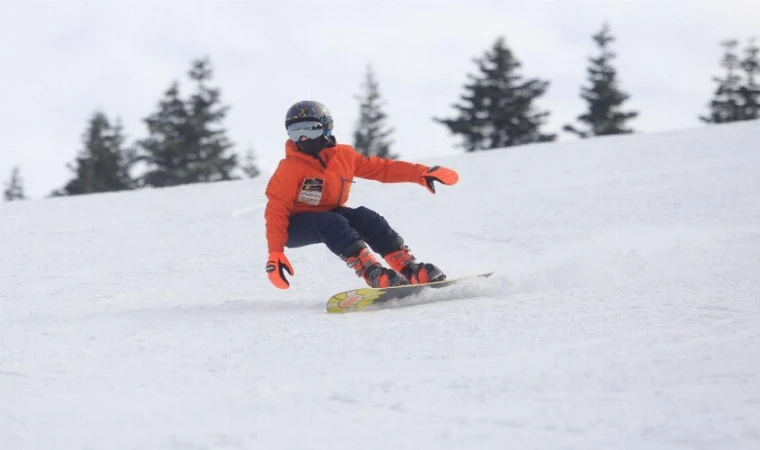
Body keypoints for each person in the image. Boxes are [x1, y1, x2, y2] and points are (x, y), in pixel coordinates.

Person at [264, 100, 459, 290]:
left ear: (326, 128)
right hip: (293, 225)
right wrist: (275, 253)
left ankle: (408, 268)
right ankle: (372, 272)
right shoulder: (290, 168)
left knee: (366, 217)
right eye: (296, 132)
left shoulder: (344, 157)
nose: (303, 138)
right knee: (331, 222)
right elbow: (276, 209)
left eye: (310, 129)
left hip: (330, 214)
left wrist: (421, 173)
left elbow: (383, 169)